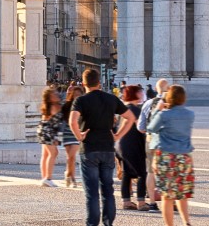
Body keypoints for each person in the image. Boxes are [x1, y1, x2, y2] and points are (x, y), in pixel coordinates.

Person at [70, 68, 135, 226]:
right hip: (107, 148)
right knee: (108, 190)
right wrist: (118, 135)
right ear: (99, 82)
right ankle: (108, 223)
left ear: (84, 83)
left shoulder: (81, 101)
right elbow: (130, 117)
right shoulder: (111, 99)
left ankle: (92, 224)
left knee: (92, 193)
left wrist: (79, 136)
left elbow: (72, 121)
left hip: (89, 149)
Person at [147, 85, 194, 226]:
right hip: (184, 156)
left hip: (166, 157)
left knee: (167, 196)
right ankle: (186, 222)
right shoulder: (190, 114)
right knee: (182, 194)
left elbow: (151, 128)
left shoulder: (164, 115)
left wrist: (158, 109)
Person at [139, 78, 171, 214]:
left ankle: (152, 203)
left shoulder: (148, 103)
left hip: (151, 141)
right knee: (169, 172)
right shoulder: (172, 103)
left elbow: (140, 127)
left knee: (151, 172)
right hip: (169, 142)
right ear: (167, 88)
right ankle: (170, 202)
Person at [117, 85, 149, 211]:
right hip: (133, 145)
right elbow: (141, 128)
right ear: (134, 94)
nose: (142, 94)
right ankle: (141, 202)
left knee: (127, 173)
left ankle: (127, 202)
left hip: (123, 145)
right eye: (140, 92)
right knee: (142, 173)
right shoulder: (135, 110)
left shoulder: (125, 108)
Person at [37, 86, 63, 187]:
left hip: (43, 129)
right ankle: (48, 178)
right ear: (50, 97)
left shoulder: (47, 106)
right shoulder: (54, 106)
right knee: (53, 153)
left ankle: (44, 177)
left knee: (46, 154)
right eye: (54, 94)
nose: (57, 95)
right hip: (48, 130)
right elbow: (59, 122)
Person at [58, 83, 82, 188]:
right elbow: (61, 117)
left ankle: (71, 177)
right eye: (75, 94)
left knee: (72, 156)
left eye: (78, 94)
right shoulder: (67, 105)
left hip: (76, 132)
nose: (76, 96)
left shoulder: (83, 105)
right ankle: (69, 175)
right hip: (67, 132)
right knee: (70, 157)